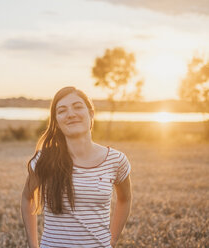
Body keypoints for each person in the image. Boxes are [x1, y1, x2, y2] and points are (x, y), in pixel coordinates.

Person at [21, 86, 132, 248]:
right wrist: (33, 245)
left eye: (78, 107)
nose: (71, 114)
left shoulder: (116, 160)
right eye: (62, 110)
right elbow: (27, 198)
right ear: (57, 122)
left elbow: (125, 199)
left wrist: (112, 240)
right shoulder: (44, 160)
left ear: (91, 113)